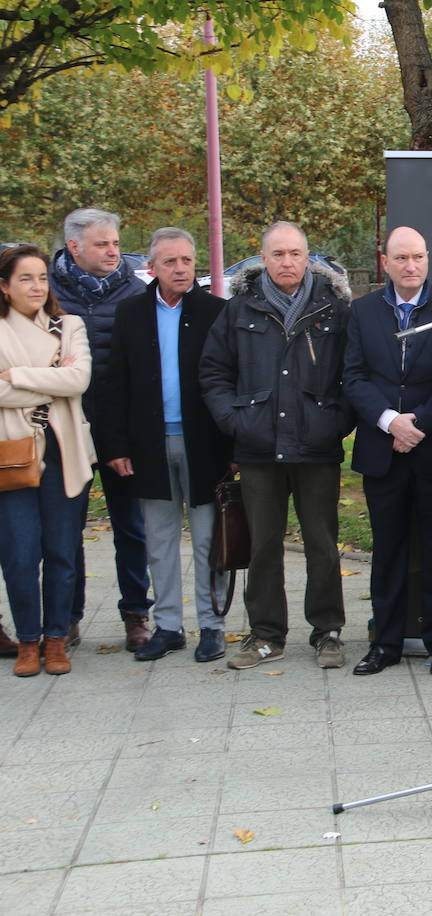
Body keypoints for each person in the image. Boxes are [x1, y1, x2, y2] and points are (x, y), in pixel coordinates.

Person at [201, 221, 353, 670]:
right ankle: (266, 634)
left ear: (309, 258)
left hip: (316, 447)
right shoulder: (237, 309)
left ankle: (327, 632)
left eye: (295, 254)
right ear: (263, 259)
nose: (287, 262)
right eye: (278, 254)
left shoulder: (334, 309)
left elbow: (354, 373)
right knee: (263, 545)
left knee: (322, 544)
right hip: (258, 449)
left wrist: (334, 423)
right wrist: (236, 422)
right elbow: (213, 373)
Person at [101, 228, 232, 663]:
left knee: (209, 538)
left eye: (187, 261)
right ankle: (169, 626)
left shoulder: (216, 311)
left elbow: (231, 380)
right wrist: (116, 445)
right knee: (158, 540)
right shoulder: (131, 313)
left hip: (205, 444)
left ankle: (212, 627)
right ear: (152, 267)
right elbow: (115, 383)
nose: (180, 269)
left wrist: (234, 446)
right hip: (149, 445)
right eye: (171, 262)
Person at [342, 226, 432, 677]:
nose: (410, 266)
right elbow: (353, 377)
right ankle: (385, 643)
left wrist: (419, 424)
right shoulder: (363, 311)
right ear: (385, 262)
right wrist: (389, 421)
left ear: (427, 258)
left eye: (417, 257)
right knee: (388, 551)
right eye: (401, 259)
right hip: (381, 449)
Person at [50, 208, 152, 650]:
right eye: (102, 244)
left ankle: (136, 614)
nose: (114, 251)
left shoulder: (135, 290)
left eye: (115, 242)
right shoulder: (48, 293)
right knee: (65, 528)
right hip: (63, 429)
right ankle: (67, 617)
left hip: (121, 432)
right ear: (74, 247)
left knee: (130, 526)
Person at [0, 245, 97, 676]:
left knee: (62, 552)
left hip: (64, 453)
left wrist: (17, 376)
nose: (37, 286)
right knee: (19, 554)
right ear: (4, 286)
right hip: (13, 455)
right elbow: (62, 383)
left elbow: (78, 380)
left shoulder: (69, 325)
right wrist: (53, 384)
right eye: (25, 278)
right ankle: (27, 640)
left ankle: (56, 638)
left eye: (42, 277)